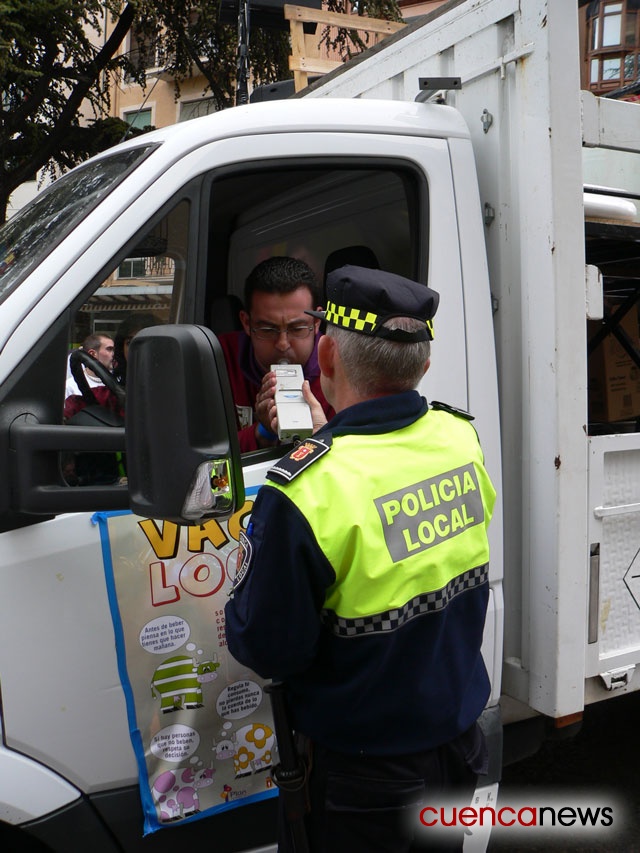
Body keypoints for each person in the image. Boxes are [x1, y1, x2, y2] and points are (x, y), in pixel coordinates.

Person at [224, 265, 497, 852]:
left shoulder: (303, 488)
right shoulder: (458, 436)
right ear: (423, 364)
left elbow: (269, 647)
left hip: (364, 782)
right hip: (460, 745)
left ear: (324, 353)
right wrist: (333, 433)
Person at [218, 256, 334, 453]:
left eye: (297, 328)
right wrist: (262, 432)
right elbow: (205, 460)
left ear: (316, 323)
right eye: (267, 330)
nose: (282, 344)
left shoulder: (339, 367)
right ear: (246, 323)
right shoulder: (219, 358)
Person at [64, 332, 115, 398]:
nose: (114, 354)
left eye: (114, 350)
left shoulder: (120, 382)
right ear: (92, 354)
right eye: (109, 349)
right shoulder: (71, 386)